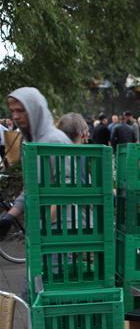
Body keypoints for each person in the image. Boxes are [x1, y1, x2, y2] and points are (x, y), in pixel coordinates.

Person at [0, 87, 71, 237]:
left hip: (63, 229)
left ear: (34, 109)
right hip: (46, 228)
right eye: (12, 111)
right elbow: (31, 187)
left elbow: (67, 185)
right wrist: (9, 217)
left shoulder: (54, 140)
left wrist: (46, 224)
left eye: (20, 110)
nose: (15, 116)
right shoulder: (29, 143)